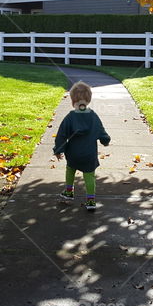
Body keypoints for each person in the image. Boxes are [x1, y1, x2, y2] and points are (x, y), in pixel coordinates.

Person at [53, 81, 110, 211]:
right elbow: (101, 131)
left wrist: (58, 149)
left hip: (73, 153)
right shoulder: (93, 116)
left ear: (73, 100)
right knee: (89, 176)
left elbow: (62, 134)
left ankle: (68, 192)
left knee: (70, 169)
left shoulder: (70, 117)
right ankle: (90, 201)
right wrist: (105, 140)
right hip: (89, 154)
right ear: (88, 100)